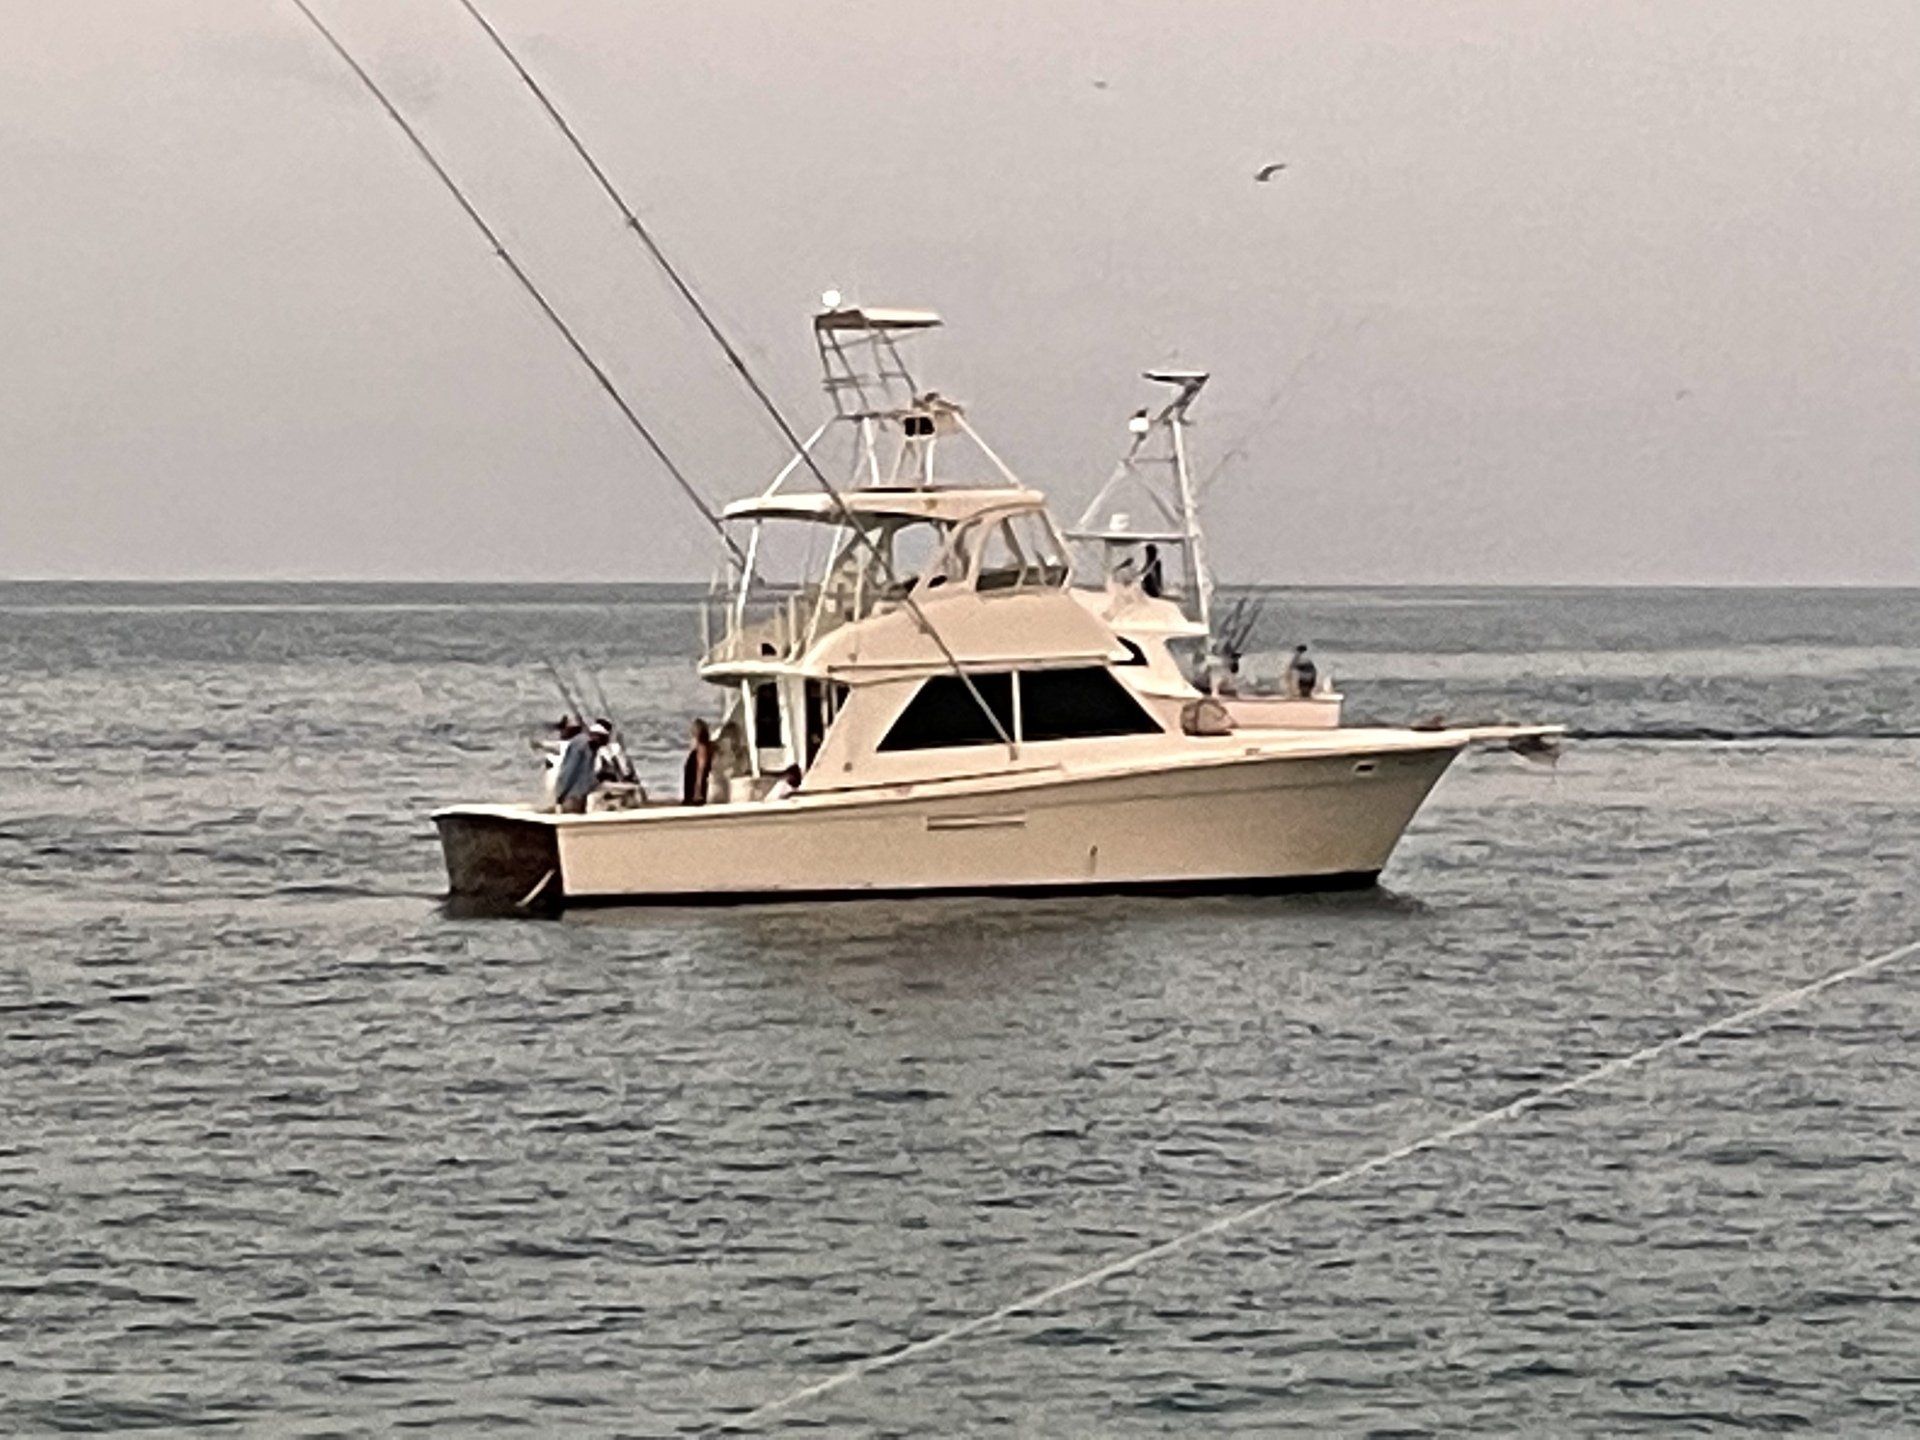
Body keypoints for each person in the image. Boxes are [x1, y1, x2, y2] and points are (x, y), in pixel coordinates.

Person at [550, 716, 597, 814]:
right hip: (583, 794)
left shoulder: (576, 744)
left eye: (563, 729)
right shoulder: (587, 741)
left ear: (570, 730)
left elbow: (569, 771)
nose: (561, 732)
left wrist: (560, 795)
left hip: (572, 795)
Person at [682, 718, 716, 806]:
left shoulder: (701, 749)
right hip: (692, 796)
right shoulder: (706, 748)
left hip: (694, 798)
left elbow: (700, 770)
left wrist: (697, 794)